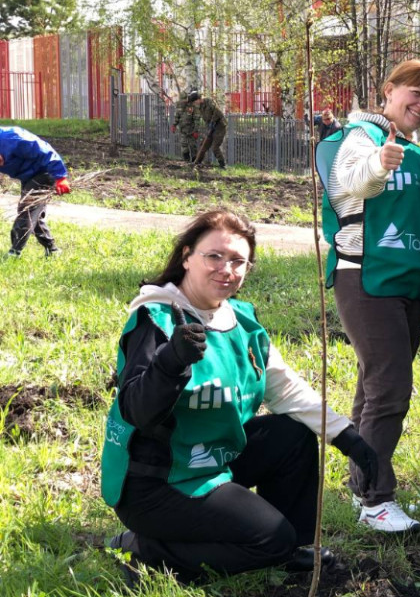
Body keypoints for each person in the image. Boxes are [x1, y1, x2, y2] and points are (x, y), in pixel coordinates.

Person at [100, 209, 379, 585]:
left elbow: (285, 389)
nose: (226, 269)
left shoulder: (242, 321)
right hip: (157, 482)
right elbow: (136, 411)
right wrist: (170, 362)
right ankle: (144, 549)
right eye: (214, 256)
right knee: (269, 539)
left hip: (212, 460)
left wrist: (347, 437)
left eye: (238, 261)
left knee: (293, 435)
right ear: (187, 256)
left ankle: (291, 550)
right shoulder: (156, 319)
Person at [319, 60, 420, 533]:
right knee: (390, 388)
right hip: (366, 276)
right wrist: (379, 163)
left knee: (374, 387)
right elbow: (349, 182)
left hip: (409, 286)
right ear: (389, 90)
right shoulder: (363, 135)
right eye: (416, 93)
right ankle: (376, 499)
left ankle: (362, 487)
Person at [1, 125, 70, 257]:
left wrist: (60, 177)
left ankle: (14, 252)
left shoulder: (13, 137)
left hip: (45, 172)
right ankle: (52, 250)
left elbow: (45, 151)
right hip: (28, 176)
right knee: (34, 214)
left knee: (27, 209)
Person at [188, 91, 227, 169]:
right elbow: (205, 118)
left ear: (198, 99)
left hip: (219, 126)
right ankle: (197, 162)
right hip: (210, 127)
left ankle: (222, 164)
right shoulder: (200, 106)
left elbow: (217, 112)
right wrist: (209, 127)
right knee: (204, 145)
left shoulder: (209, 101)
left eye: (194, 102)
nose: (194, 104)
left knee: (215, 147)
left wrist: (213, 122)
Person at [172, 92, 202, 163]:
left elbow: (197, 119)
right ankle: (186, 161)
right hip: (183, 130)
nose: (183, 101)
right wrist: (174, 125)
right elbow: (177, 117)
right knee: (184, 146)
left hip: (191, 130)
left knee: (193, 146)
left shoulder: (192, 107)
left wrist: (196, 131)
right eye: (182, 100)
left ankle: (195, 161)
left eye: (184, 100)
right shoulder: (179, 106)